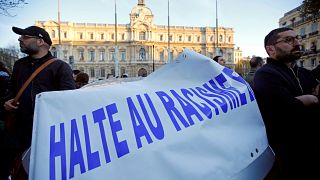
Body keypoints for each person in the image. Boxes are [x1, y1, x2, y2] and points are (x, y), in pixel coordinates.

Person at [2, 26, 76, 178]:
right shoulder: (19, 65)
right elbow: (11, 91)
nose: (20, 39)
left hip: (45, 137)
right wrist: (6, 102)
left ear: (40, 41)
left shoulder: (60, 67)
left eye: (25, 37)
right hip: (16, 134)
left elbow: (69, 102)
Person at [253, 27, 320, 179]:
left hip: (312, 149)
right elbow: (285, 112)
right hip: (289, 156)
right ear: (271, 49)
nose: (297, 43)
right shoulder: (265, 74)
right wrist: (312, 99)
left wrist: (305, 101)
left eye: (297, 38)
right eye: (289, 40)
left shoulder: (302, 72)